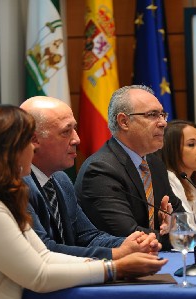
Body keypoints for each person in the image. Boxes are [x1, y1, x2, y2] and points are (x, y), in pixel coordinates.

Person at [0, 105, 166, 299]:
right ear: (8, 149)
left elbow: (44, 256)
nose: (32, 149)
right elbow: (38, 275)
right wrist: (116, 268)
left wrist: (113, 262)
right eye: (28, 140)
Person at [19, 96, 160, 260]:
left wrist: (131, 243)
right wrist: (114, 254)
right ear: (34, 140)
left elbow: (89, 236)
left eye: (75, 129)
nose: (77, 139)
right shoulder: (18, 185)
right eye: (66, 132)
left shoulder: (61, 180)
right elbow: (44, 250)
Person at [75, 85, 184, 250]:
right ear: (124, 122)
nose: (163, 123)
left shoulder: (154, 164)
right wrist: (171, 236)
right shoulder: (100, 170)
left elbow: (182, 219)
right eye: (153, 115)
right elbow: (127, 234)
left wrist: (172, 227)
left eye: (163, 115)